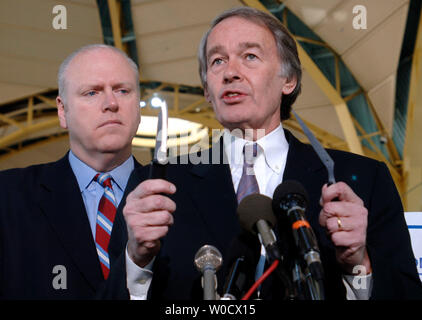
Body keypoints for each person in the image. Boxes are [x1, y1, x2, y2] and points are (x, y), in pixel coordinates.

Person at [118, 7, 422, 300]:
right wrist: (136, 260)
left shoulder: (363, 181)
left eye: (250, 56)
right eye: (217, 61)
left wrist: (358, 264)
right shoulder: (154, 189)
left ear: (288, 80)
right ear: (208, 90)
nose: (230, 73)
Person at [0, 44, 145, 299]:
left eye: (123, 90)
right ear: (62, 110)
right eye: (92, 93)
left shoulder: (178, 197)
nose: (111, 103)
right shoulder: (8, 197)